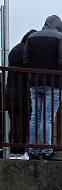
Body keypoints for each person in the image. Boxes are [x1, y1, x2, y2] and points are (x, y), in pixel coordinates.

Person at [23, 15, 62, 160]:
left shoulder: (32, 37)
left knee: (35, 117)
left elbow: (26, 59)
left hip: (34, 82)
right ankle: (46, 150)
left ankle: (32, 150)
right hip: (53, 83)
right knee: (47, 118)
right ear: (58, 26)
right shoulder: (60, 38)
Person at [3, 30, 37, 158]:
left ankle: (13, 151)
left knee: (14, 124)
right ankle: (21, 151)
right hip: (22, 93)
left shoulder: (14, 50)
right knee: (23, 123)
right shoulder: (27, 51)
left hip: (10, 92)